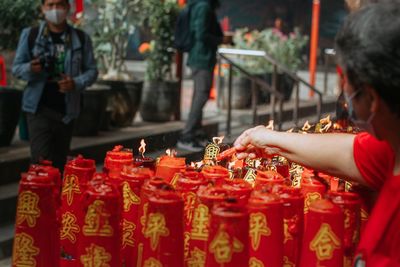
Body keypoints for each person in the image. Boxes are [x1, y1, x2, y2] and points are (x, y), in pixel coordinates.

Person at [234, 3, 400, 266]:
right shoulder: (392, 148)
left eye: (346, 86)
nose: (344, 99)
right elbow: (349, 153)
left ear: (371, 98)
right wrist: (270, 139)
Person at [12, 0, 98, 171]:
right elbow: (16, 69)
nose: (55, 9)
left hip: (67, 110)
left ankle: (56, 197)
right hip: (38, 108)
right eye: (50, 5)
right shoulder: (31, 35)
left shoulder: (81, 38)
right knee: (40, 163)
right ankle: (40, 196)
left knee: (60, 163)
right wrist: (31, 68)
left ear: (67, 7)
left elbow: (92, 71)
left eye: (59, 4)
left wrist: (76, 83)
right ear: (43, 8)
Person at [177, 0, 232, 152]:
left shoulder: (200, 5)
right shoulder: (204, 6)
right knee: (201, 95)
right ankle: (187, 136)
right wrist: (221, 39)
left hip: (200, 57)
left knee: (199, 95)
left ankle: (196, 133)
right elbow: (201, 34)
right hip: (201, 58)